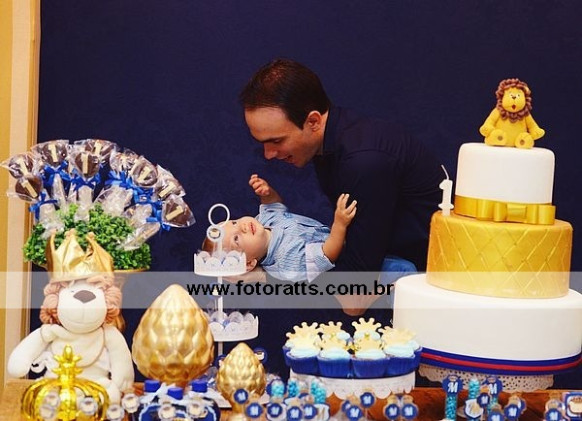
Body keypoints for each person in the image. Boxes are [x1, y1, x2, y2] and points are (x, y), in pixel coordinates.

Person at [205, 174, 357, 283]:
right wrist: (339, 225)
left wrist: (266, 193)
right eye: (236, 239)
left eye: (234, 223)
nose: (242, 227)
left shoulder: (262, 221)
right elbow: (327, 254)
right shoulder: (287, 264)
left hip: (340, 232)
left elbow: (274, 206)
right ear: (249, 264)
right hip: (347, 257)